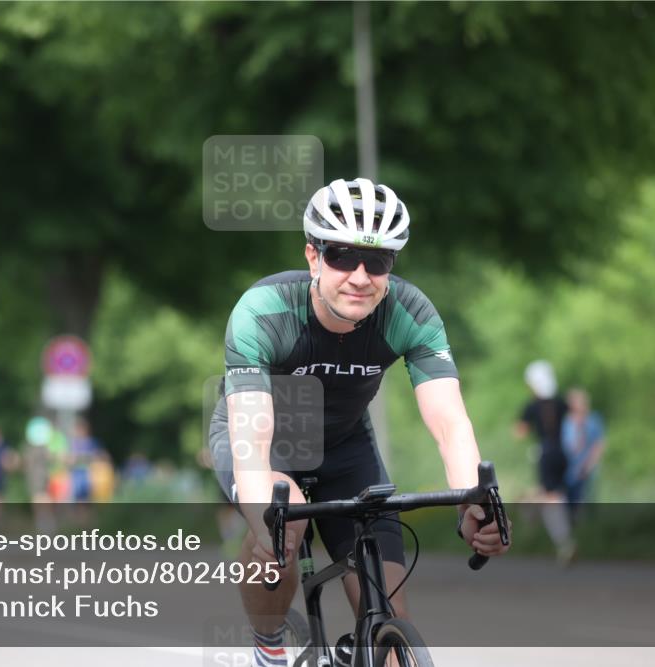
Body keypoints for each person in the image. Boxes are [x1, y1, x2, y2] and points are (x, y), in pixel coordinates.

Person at [207, 178, 510, 667]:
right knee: (280, 532)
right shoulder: (263, 311)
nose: (360, 276)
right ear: (313, 257)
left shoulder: (409, 313)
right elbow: (252, 431)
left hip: (347, 448)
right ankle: (268, 645)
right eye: (342, 256)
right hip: (264, 446)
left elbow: (451, 423)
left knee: (389, 610)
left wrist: (473, 501)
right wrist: (268, 516)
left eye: (379, 261)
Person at [515, 360, 575, 563]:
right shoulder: (560, 401)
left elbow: (520, 432)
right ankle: (535, 522)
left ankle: (564, 543)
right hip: (562, 453)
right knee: (553, 494)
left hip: (546, 454)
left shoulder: (531, 405)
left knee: (551, 499)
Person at [560, 388, 606, 510]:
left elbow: (599, 445)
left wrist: (589, 465)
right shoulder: (565, 423)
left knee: (584, 503)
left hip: (587, 469)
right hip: (567, 470)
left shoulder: (593, 421)